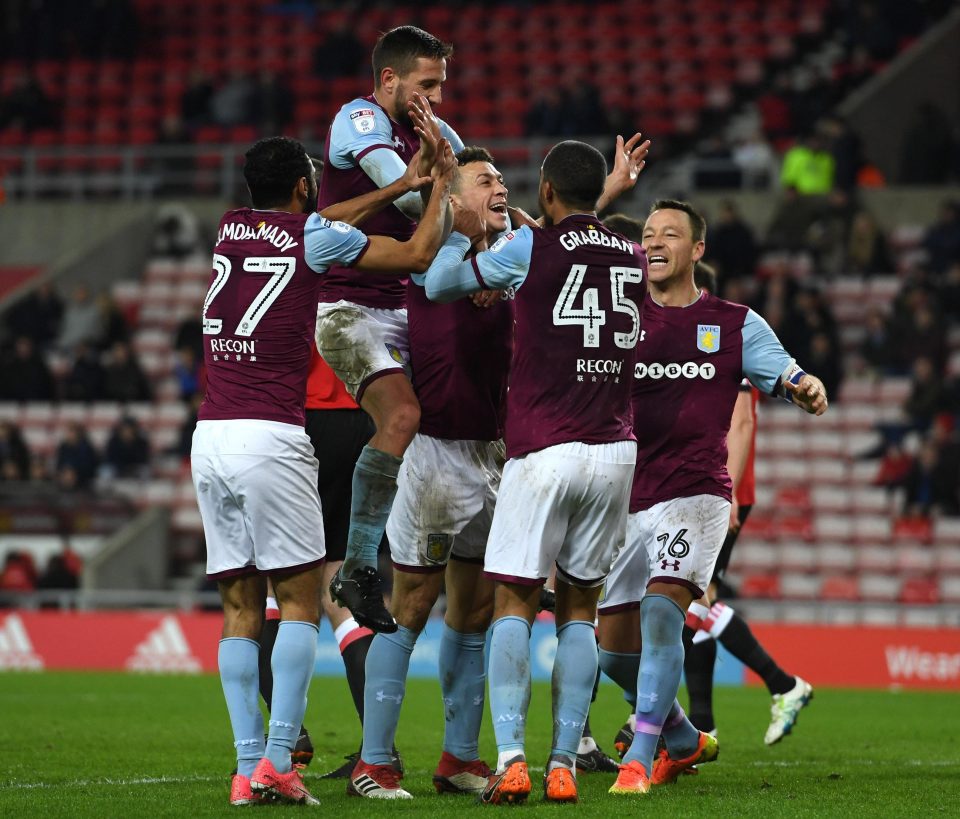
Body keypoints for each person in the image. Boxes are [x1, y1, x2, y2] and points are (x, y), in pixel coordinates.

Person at [191, 134, 455, 808]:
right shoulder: (313, 239)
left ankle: (247, 769)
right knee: (304, 598)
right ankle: (281, 760)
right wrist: (421, 189)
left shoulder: (228, 230)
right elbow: (418, 253)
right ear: (307, 187)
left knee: (240, 605)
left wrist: (392, 190)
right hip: (273, 436)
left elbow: (321, 222)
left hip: (211, 435)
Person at [424, 140, 647, 805]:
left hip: (545, 449)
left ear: (545, 192)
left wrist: (449, 220)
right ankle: (564, 765)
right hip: (613, 453)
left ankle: (513, 756)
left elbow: (440, 285)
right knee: (580, 606)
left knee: (515, 600)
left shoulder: (527, 249)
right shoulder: (633, 255)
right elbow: (582, 236)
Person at [593, 202, 828, 796]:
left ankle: (639, 758)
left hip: (696, 493)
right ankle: (681, 734)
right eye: (647, 235)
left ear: (697, 249)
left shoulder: (733, 322)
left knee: (662, 613)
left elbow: (785, 372)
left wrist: (804, 386)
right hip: (626, 495)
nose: (654, 243)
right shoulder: (619, 315)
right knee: (612, 655)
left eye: (670, 234)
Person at [316, 25, 465, 634]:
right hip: (350, 305)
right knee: (402, 418)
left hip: (409, 306)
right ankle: (356, 568)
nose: (436, 97)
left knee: (475, 399)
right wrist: (442, 183)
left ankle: (487, 554)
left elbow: (473, 188)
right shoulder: (359, 121)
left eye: (441, 86)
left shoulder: (433, 129)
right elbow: (407, 203)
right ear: (389, 79)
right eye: (426, 84)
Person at [679, 261, 814, 748]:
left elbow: (741, 422)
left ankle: (781, 684)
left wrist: (730, 491)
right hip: (704, 488)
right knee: (696, 603)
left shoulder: (718, 337)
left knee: (691, 603)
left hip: (719, 490)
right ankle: (702, 725)